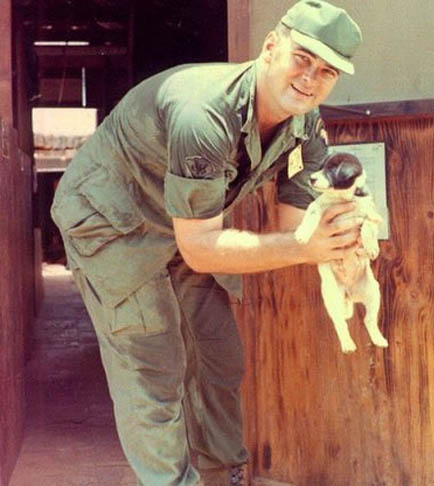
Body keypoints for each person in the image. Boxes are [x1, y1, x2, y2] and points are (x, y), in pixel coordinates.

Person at [50, 1, 363, 484]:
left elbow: (293, 230)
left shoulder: (306, 126)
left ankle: (221, 475)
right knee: (153, 368)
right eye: (302, 58)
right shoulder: (204, 113)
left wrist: (337, 234)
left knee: (218, 356)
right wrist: (307, 246)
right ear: (270, 47)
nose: (310, 78)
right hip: (113, 222)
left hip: (185, 226)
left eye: (327, 71)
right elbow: (211, 248)